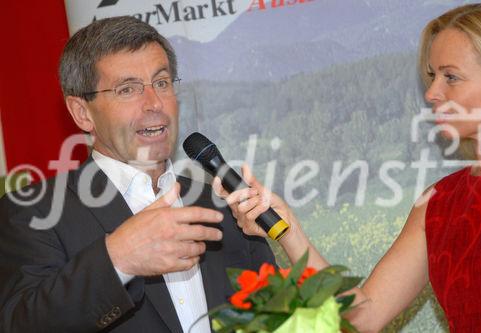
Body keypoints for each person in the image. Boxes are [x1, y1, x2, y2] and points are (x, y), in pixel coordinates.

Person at [213, 2, 481, 332]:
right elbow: (361, 318)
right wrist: (289, 230)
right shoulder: (438, 203)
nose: (432, 92)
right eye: (432, 76)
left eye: (451, 76)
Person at [0, 16, 276, 333]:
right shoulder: (33, 212)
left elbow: (277, 314)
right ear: (82, 112)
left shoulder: (223, 206)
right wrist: (118, 259)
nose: (154, 103)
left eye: (161, 83)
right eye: (127, 89)